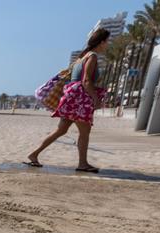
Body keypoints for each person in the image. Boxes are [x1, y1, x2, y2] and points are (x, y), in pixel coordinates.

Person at [26, 28, 111, 173]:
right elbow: (86, 81)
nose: (108, 45)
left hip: (70, 97)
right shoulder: (92, 57)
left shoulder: (81, 58)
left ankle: (34, 154)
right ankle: (83, 164)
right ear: (102, 42)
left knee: (61, 130)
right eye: (107, 41)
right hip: (80, 100)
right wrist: (96, 99)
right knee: (84, 132)